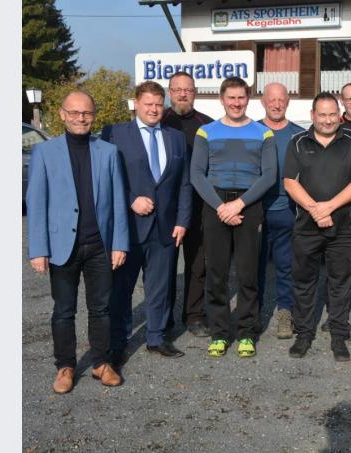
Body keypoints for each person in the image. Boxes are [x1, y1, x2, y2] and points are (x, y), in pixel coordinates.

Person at [27, 91, 128, 393]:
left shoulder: (108, 152)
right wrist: (38, 248)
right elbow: (36, 202)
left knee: (101, 309)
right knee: (63, 311)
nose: (80, 118)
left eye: (86, 113)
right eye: (74, 113)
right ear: (62, 114)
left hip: (100, 244)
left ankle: (101, 363)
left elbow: (120, 201)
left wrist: (119, 243)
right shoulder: (45, 153)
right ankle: (65, 367)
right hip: (61, 246)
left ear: (94, 115)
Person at [103, 81, 192, 366]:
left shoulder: (175, 137)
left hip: (165, 227)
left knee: (159, 287)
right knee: (121, 289)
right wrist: (131, 199)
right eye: (148, 104)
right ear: (136, 104)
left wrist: (182, 220)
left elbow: (185, 183)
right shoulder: (115, 133)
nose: (153, 109)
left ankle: (156, 337)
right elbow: (107, 176)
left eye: (158, 104)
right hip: (128, 227)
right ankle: (117, 342)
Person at [190, 77, 277, 359]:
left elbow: (269, 175)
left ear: (248, 99)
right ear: (222, 99)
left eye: (241, 98)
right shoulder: (206, 132)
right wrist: (220, 207)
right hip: (215, 203)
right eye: (231, 98)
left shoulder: (263, 133)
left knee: (248, 273)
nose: (236, 103)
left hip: (248, 203)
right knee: (216, 273)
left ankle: (247, 333)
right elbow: (196, 175)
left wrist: (238, 204)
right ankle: (219, 333)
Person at [284, 92, 351, 362]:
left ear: (339, 114)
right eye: (322, 114)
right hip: (306, 227)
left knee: (340, 284)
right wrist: (315, 210)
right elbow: (290, 182)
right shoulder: (297, 142)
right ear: (313, 115)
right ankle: (304, 334)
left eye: (333, 114)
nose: (328, 119)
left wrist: (329, 207)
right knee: (304, 282)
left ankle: (338, 336)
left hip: (343, 228)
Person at [160, 71, 214, 338]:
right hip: (167, 211)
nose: (182, 94)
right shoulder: (158, 122)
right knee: (165, 266)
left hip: (199, 207)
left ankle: (193, 315)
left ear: (195, 92)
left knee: (197, 265)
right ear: (170, 92)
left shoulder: (207, 125)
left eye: (188, 90)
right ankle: (164, 317)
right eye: (177, 89)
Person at [256, 82, 305, 340]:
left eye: (281, 100)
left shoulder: (299, 135)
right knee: (253, 266)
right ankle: (253, 315)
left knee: (286, 267)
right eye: (271, 100)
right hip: (255, 211)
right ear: (263, 101)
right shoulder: (250, 131)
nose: (276, 104)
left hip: (287, 210)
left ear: (288, 102)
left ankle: (285, 313)